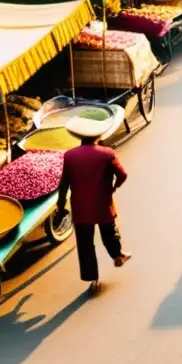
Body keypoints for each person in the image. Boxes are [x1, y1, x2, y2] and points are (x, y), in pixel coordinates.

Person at [57, 119, 131, 296]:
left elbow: (64, 184)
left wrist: (60, 205)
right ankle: (117, 255)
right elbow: (122, 175)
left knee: (85, 244)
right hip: (102, 203)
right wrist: (114, 186)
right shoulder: (107, 153)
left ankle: (93, 279)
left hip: (81, 206)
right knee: (109, 231)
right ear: (99, 136)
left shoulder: (70, 155)